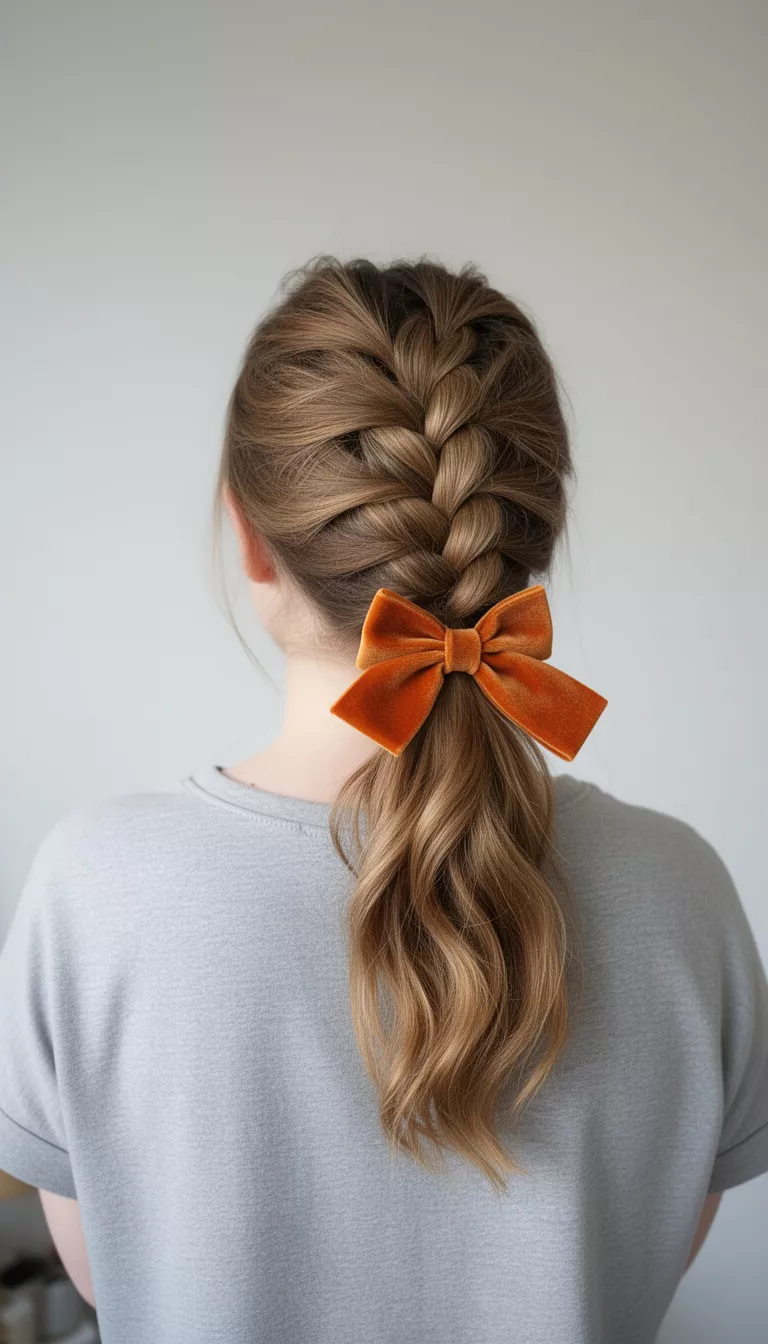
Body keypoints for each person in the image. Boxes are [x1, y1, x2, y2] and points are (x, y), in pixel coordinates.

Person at [0, 256, 766, 1344]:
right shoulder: (682, 892)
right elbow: (646, 1266)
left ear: (251, 538)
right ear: (527, 541)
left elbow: (107, 1272)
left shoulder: (96, 892)